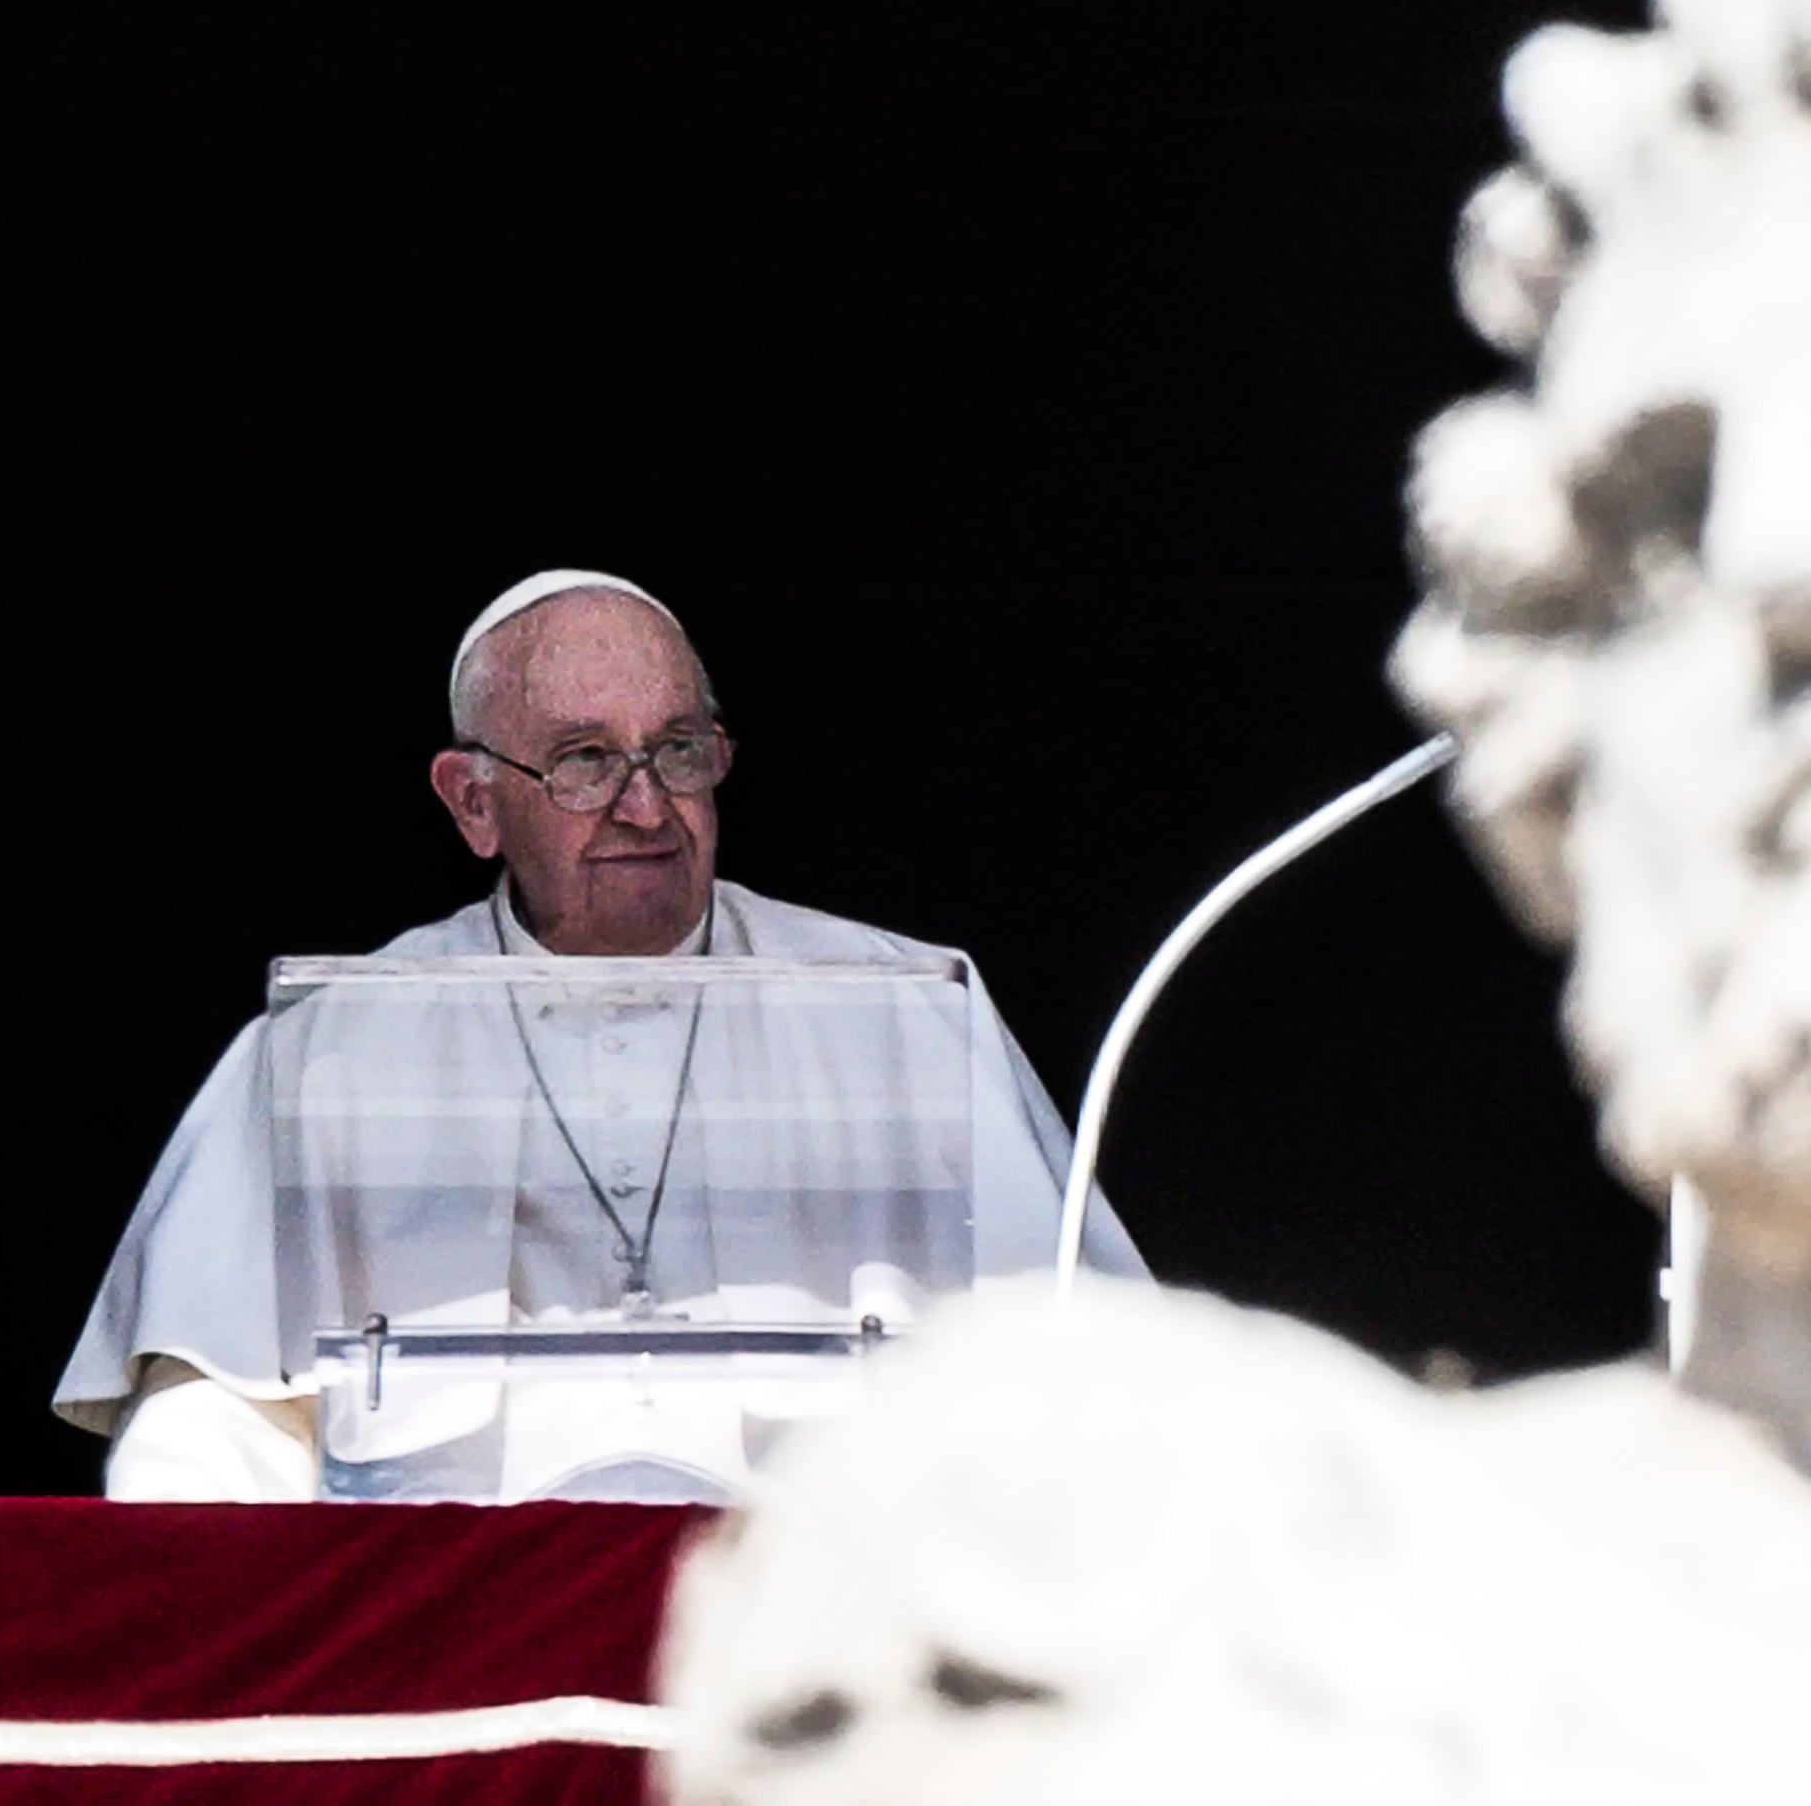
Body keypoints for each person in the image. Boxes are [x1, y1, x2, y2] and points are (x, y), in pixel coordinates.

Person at [57, 569, 1143, 1499]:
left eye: (677, 751)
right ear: (473, 802)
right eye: (584, 761)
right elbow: (207, 1422)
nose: (645, 808)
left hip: (829, 1639)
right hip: (459, 1636)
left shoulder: (905, 1010)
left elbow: (1088, 1361)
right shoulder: (329, 1049)